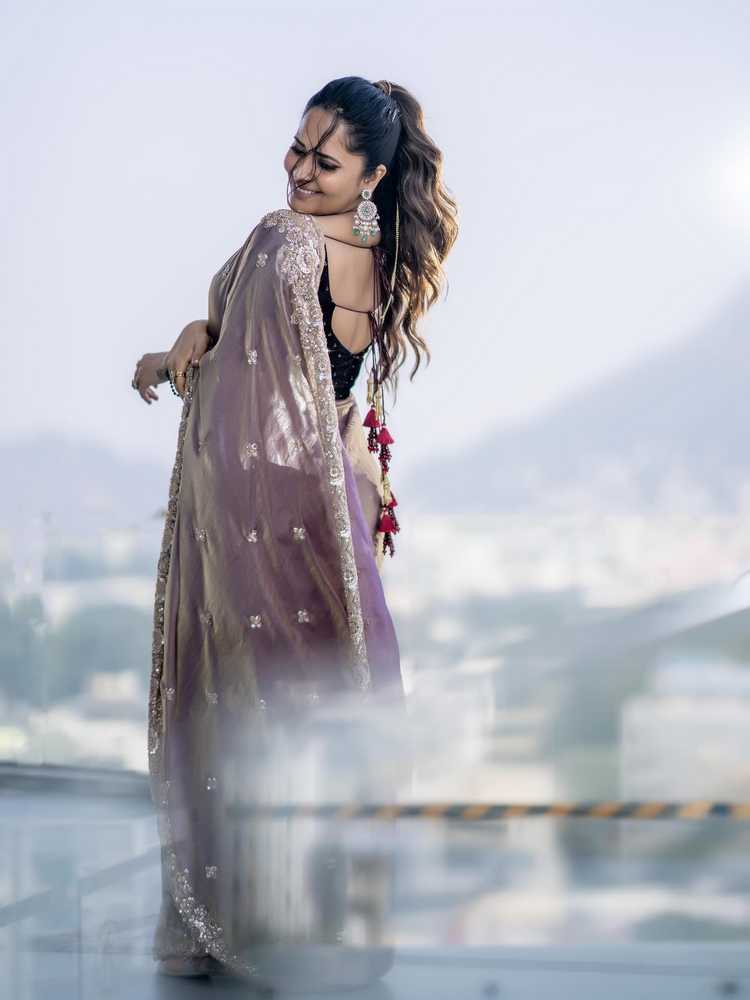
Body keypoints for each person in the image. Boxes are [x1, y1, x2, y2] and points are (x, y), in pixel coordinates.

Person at [131, 76, 459, 987]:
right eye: (298, 147)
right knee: (314, 713)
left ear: (372, 176)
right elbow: (309, 379)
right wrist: (202, 328)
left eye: (326, 160)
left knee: (237, 705)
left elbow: (250, 391)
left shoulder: (284, 239)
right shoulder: (379, 257)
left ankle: (227, 925)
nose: (300, 170)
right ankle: (322, 929)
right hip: (327, 513)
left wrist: (170, 356)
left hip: (262, 514)